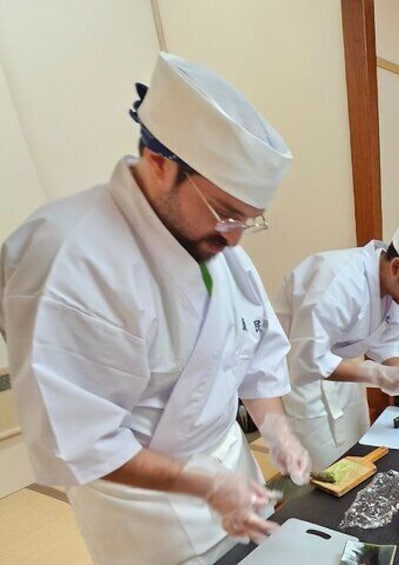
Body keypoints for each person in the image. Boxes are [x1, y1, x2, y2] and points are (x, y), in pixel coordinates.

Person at [0, 52, 312, 564]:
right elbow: (80, 440)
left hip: (232, 473)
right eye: (226, 213)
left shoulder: (213, 247)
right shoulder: (66, 259)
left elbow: (257, 357)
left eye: (249, 220)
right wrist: (201, 486)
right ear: (158, 163)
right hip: (143, 509)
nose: (235, 238)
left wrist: (276, 429)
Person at [275, 212, 399, 469]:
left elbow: (386, 340)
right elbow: (308, 359)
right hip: (303, 378)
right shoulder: (338, 282)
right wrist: (376, 375)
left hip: (347, 373)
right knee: (321, 466)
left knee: (359, 448)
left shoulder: (395, 292)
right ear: (396, 267)